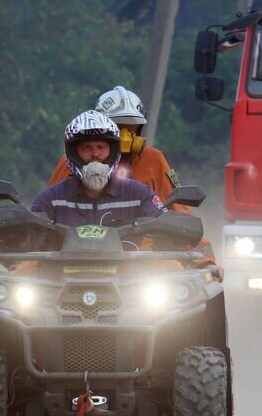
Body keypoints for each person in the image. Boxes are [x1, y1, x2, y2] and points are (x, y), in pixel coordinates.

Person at [47, 86, 222, 278]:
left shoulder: (153, 160)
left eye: (131, 129)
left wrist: (204, 263)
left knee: (181, 282)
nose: (124, 135)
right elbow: (42, 219)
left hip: (140, 257)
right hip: (74, 254)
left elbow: (180, 217)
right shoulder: (72, 162)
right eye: (118, 127)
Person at [32, 110, 165, 228]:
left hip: (127, 256)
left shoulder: (139, 195)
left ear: (113, 151)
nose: (95, 154)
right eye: (87, 148)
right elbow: (28, 240)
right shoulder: (51, 199)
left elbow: (166, 225)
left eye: (101, 147)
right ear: (74, 153)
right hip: (71, 257)